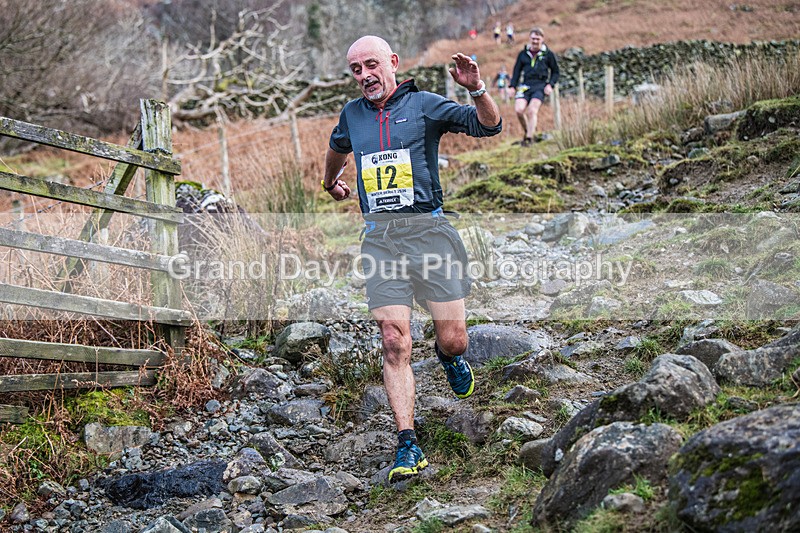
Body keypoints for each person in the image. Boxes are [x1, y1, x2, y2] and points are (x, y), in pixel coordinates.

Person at [322, 35, 501, 483]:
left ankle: (449, 355)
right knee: (394, 341)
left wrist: (476, 89)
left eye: (371, 65)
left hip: (430, 234)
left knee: (456, 339)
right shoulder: (351, 115)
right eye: (355, 70)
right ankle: (408, 443)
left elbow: (489, 127)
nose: (364, 76)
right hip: (380, 241)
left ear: (393, 63)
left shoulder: (424, 105)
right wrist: (331, 182)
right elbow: (337, 146)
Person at [509, 27, 559, 146]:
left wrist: (550, 85)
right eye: (533, 38)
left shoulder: (548, 54)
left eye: (538, 39)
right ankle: (528, 131)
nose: (535, 41)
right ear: (529, 38)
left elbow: (556, 72)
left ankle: (529, 139)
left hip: (540, 86)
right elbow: (516, 71)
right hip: (525, 85)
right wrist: (512, 86)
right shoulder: (523, 54)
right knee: (519, 110)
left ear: (542, 39)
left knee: (532, 111)